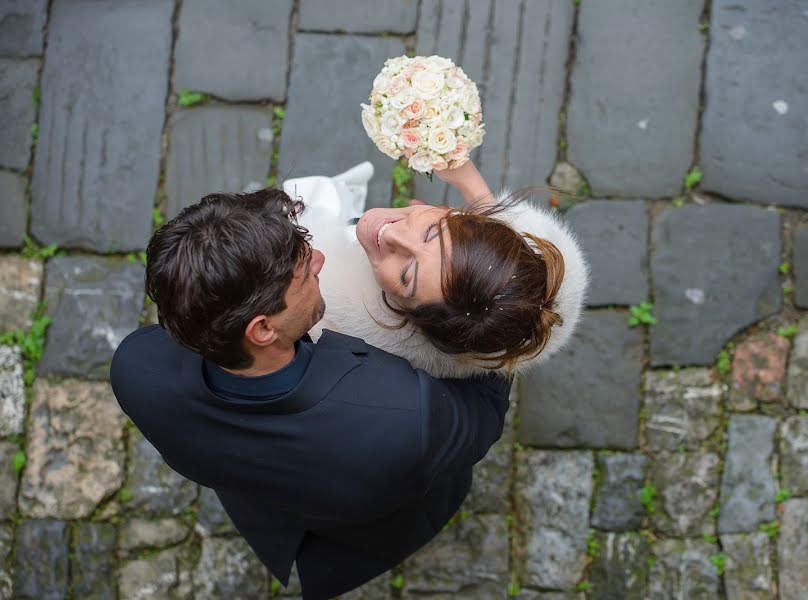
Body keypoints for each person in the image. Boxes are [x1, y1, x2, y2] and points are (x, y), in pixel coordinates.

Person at [109, 188, 512, 599]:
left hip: (270, 509)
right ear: (263, 330)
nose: (320, 260)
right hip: (377, 522)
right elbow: (485, 409)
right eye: (304, 271)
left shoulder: (135, 368)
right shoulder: (405, 416)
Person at [285, 159, 588, 378]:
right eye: (431, 233)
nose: (390, 234)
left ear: (408, 316)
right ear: (454, 213)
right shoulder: (501, 303)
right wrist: (467, 178)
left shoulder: (320, 308)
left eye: (407, 275)